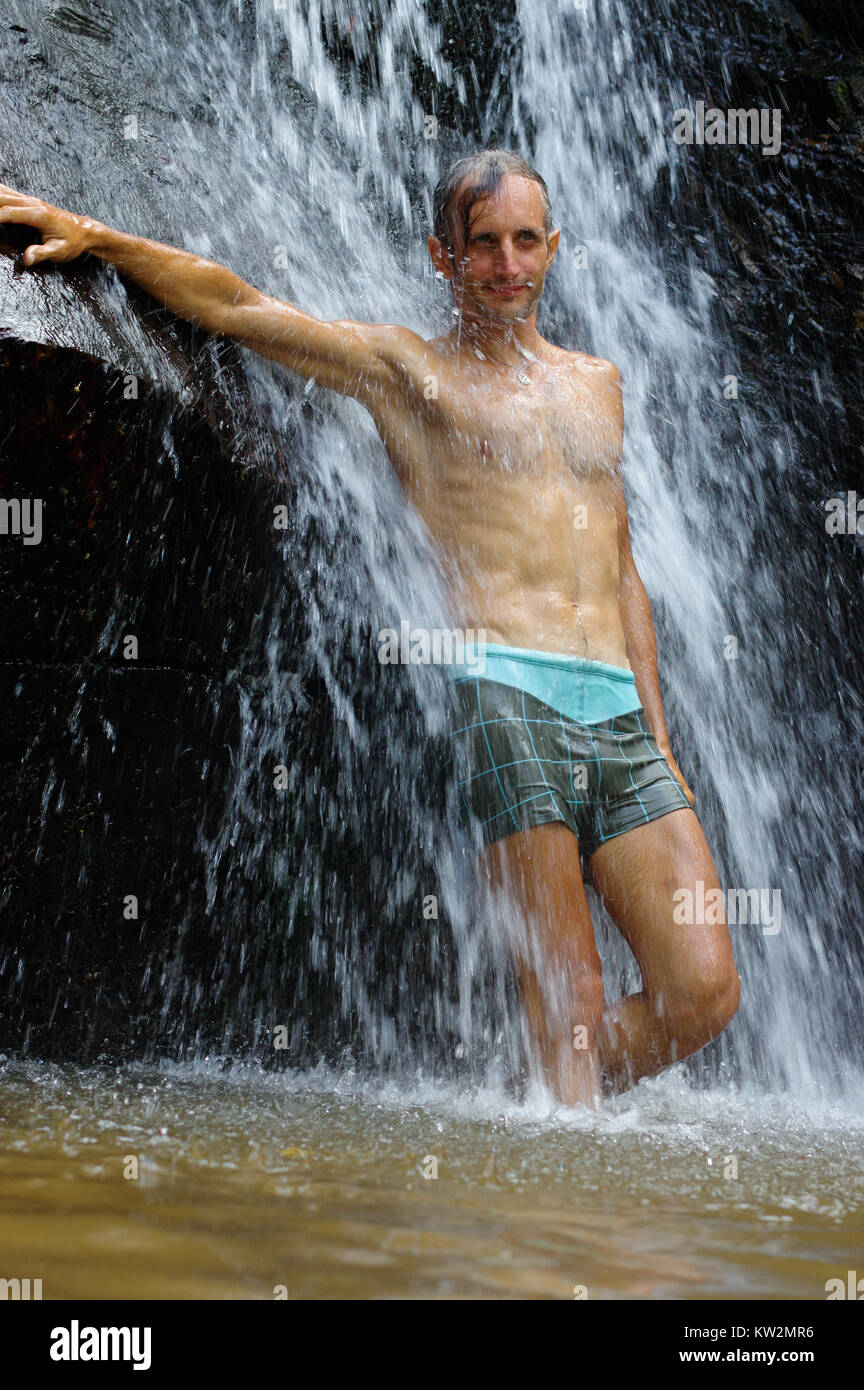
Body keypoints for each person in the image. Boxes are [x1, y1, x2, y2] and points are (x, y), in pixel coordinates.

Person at [0, 149, 740, 1107]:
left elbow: (623, 566)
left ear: (554, 248)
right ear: (444, 255)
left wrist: (663, 739)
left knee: (705, 990)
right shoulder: (406, 373)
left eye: (526, 241)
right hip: (508, 699)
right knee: (573, 1003)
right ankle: (566, 1177)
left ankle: (535, 1102)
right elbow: (236, 304)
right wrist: (100, 237)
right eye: (484, 246)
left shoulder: (599, 383)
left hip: (622, 721)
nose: (507, 264)